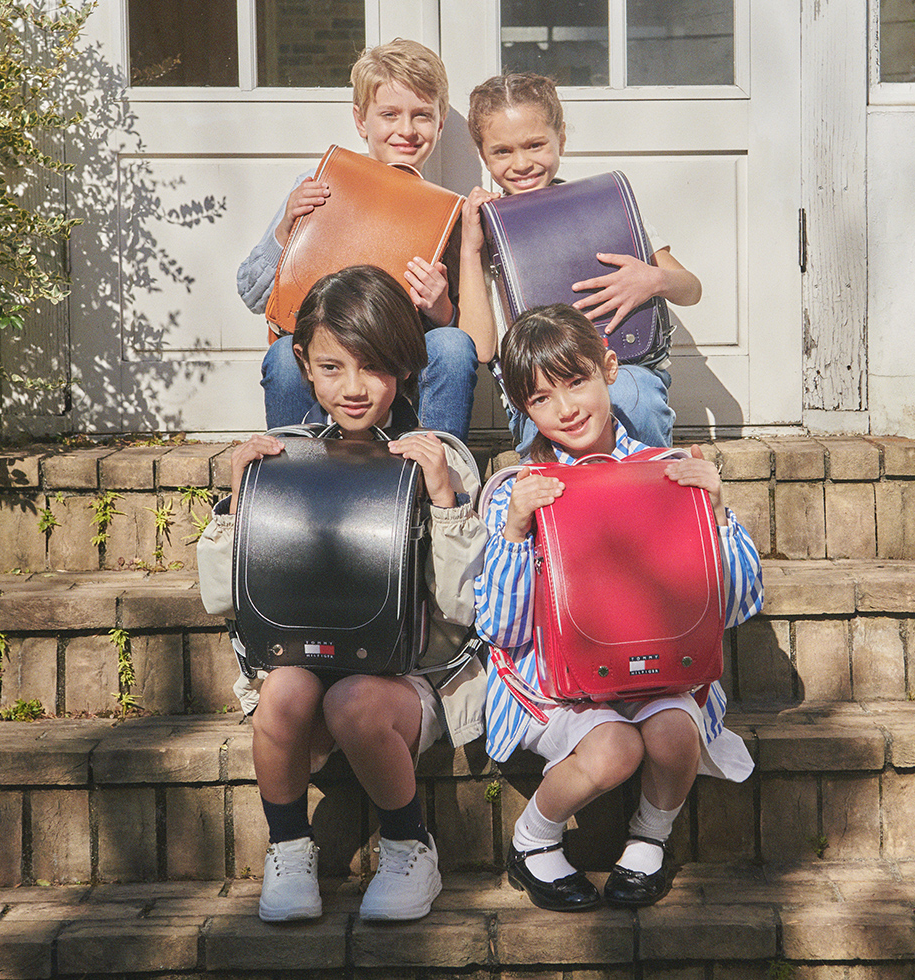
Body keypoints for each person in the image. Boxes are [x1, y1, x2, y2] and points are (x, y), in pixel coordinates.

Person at [198, 265, 488, 922]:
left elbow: (463, 605)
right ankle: (289, 846)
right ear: (302, 365)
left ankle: (410, 844)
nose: (353, 388)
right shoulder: (285, 456)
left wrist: (443, 501)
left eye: (374, 367)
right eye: (331, 368)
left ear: (406, 369)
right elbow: (225, 599)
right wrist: (241, 503)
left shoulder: (437, 457)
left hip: (406, 681)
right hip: (305, 659)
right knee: (285, 690)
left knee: (356, 699)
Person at [474, 304, 762, 911]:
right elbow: (499, 627)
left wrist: (715, 516)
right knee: (614, 749)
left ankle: (650, 839)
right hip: (559, 679)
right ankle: (531, 842)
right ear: (524, 411)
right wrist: (518, 535)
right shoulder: (520, 490)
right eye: (541, 398)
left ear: (609, 368)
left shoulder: (668, 472)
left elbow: (736, 606)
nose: (566, 408)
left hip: (660, 663)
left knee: (672, 729)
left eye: (576, 380)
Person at [238, 39, 494, 440]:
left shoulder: (448, 213)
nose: (406, 130)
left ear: (440, 123)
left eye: (422, 116)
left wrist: (441, 307)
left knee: (449, 346)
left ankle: (441, 480)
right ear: (361, 121)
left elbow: (468, 341)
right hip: (331, 365)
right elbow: (254, 297)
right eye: (389, 114)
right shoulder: (320, 185)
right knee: (282, 359)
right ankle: (292, 479)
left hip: (402, 376)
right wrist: (286, 229)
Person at [458, 72, 702, 454]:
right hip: (539, 398)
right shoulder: (486, 229)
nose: (521, 163)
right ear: (483, 154)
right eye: (502, 151)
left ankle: (655, 497)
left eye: (535, 144)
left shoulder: (600, 208)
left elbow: (691, 289)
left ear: (561, 140)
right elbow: (481, 349)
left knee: (628, 395)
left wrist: (654, 280)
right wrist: (471, 250)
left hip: (622, 372)